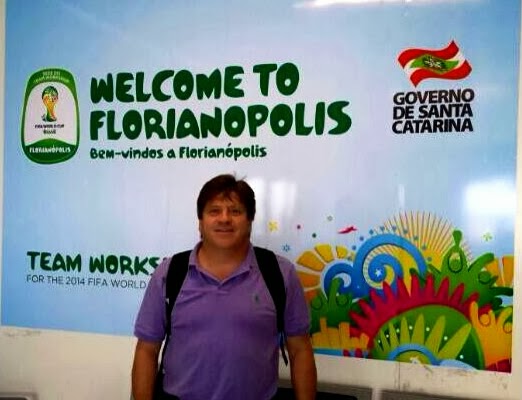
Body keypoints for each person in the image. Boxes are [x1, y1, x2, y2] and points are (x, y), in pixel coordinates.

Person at [132, 174, 317, 400]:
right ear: (200, 221)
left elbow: (300, 350)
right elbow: (147, 350)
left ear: (250, 221)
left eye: (235, 211)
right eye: (214, 211)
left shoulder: (280, 273)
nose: (224, 219)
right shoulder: (170, 273)